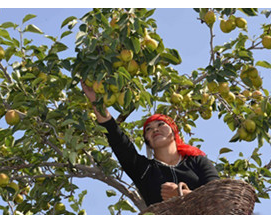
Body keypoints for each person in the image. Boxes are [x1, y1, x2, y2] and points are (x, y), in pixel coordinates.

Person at [81, 81, 220, 206]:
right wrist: (95, 101)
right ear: (147, 141)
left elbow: (218, 196)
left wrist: (181, 195)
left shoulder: (197, 161)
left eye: (161, 124)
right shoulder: (144, 169)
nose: (155, 129)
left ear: (174, 131)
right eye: (149, 129)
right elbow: (117, 138)